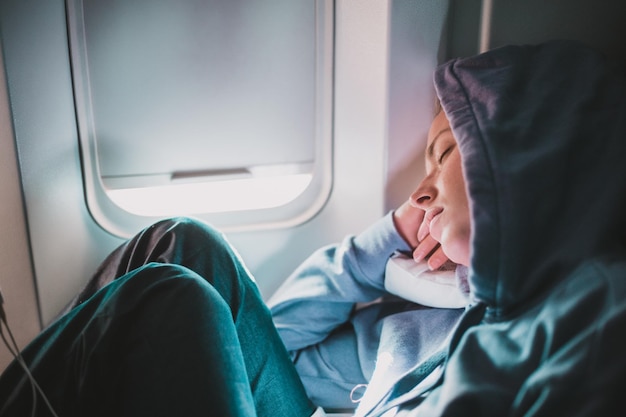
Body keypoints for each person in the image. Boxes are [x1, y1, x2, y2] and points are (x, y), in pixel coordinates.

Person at [1, 39, 625, 417]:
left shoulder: (594, 307)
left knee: (170, 299)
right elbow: (286, 351)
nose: (423, 188)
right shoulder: (417, 324)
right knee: (184, 246)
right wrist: (376, 250)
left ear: (522, 159)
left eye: (444, 153)